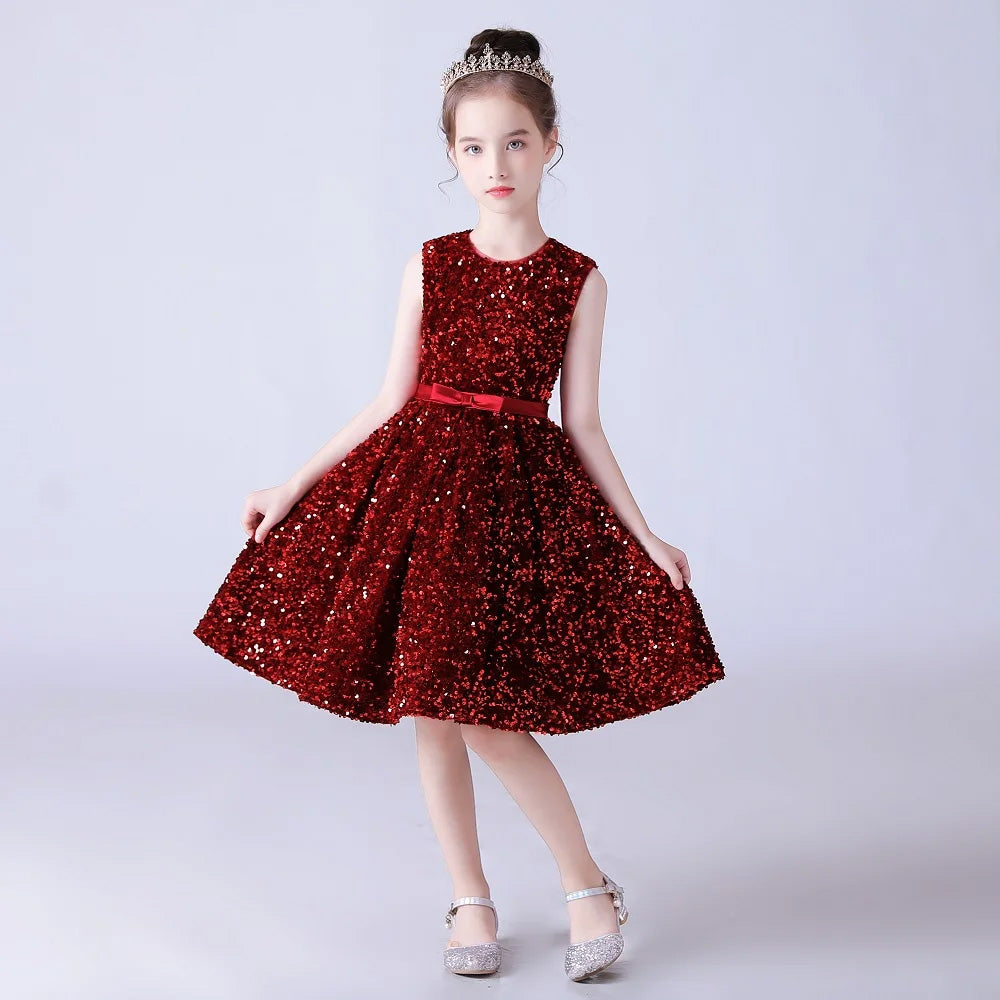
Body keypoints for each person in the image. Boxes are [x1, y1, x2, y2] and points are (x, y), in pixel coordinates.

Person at [193, 26, 725, 983]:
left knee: (484, 713)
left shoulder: (577, 280)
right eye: (473, 148)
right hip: (420, 499)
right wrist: (290, 484)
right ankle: (469, 896)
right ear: (451, 154)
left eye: (515, 143)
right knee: (430, 709)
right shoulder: (430, 264)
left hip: (512, 513)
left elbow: (584, 423)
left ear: (550, 144)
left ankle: (586, 882)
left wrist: (644, 534)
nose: (495, 166)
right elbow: (388, 400)